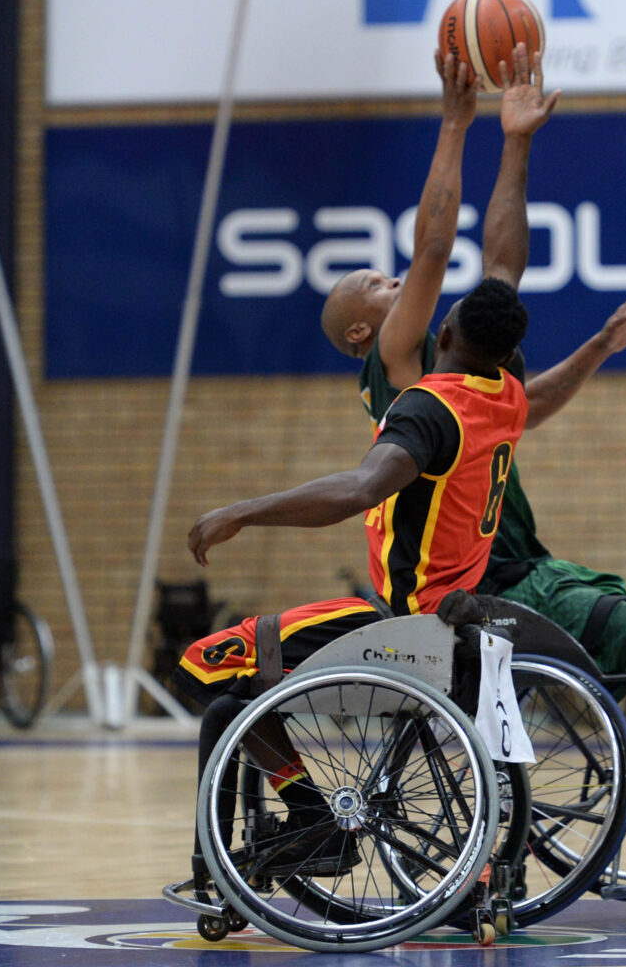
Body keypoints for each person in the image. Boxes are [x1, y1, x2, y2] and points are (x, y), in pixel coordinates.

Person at [320, 45, 626, 880]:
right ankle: (494, 849)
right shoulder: (396, 367)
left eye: (388, 275)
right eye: (375, 283)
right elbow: (436, 247)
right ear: (362, 332)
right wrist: (454, 123)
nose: (395, 280)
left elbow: (504, 273)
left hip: (525, 572)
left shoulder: (473, 371)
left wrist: (516, 143)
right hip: (465, 594)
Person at [177, 278, 529, 880]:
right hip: (454, 616)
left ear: (441, 334)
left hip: (407, 621)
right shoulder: (508, 391)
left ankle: (311, 817)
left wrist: (244, 511)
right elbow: (500, 297)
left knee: (202, 666)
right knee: (240, 695)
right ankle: (302, 817)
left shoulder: (429, 406)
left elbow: (359, 489)